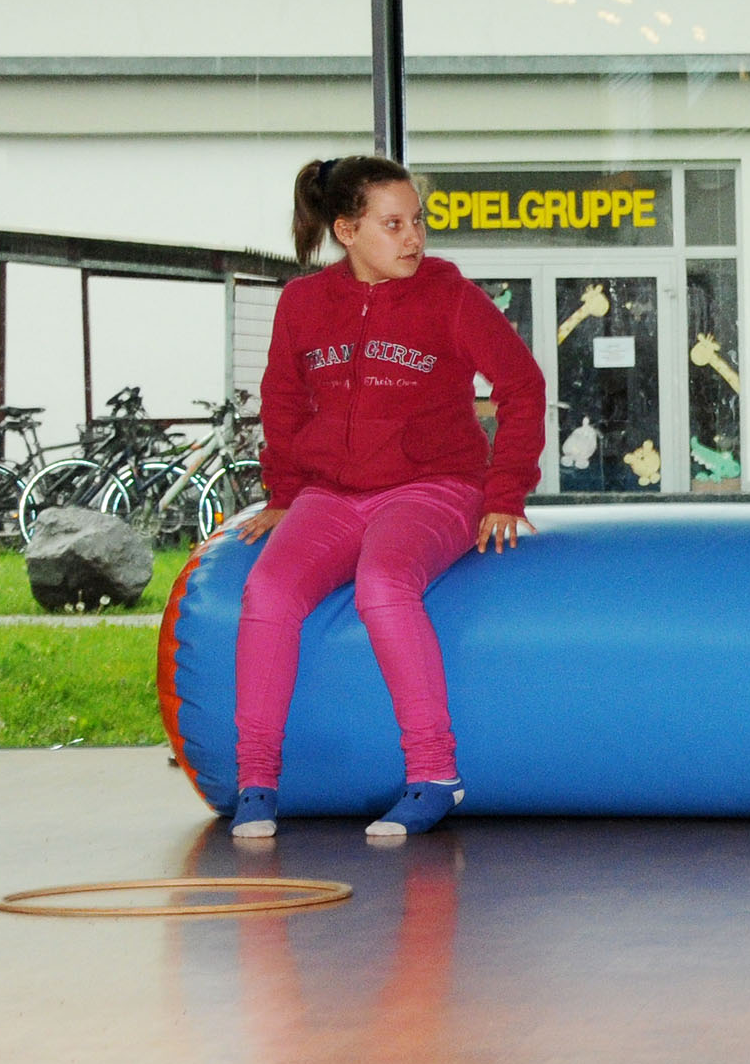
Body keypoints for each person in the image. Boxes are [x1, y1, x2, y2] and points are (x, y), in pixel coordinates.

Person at [229, 156, 546, 841]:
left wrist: (504, 492)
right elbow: (282, 400)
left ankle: (434, 773)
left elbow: (522, 386)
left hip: (436, 486)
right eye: (394, 224)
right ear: (346, 230)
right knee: (268, 591)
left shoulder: (449, 295)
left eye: (418, 222)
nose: (414, 238)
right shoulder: (303, 303)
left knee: (383, 581)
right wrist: (285, 493)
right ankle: (257, 780)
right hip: (333, 494)